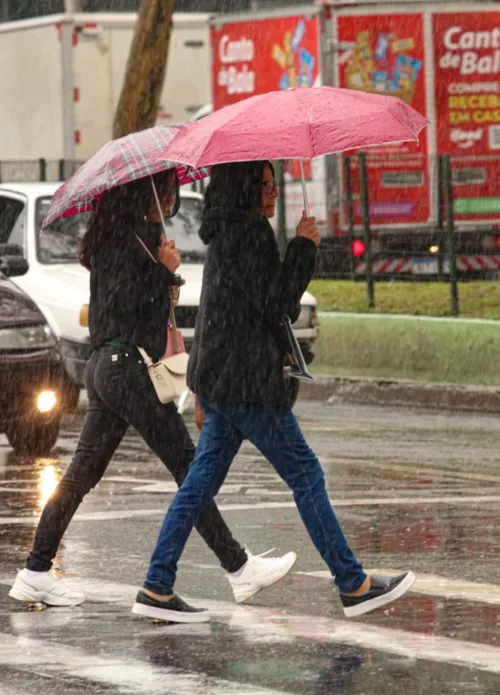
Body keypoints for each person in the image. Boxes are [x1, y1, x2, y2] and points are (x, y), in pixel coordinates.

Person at [132, 161, 415, 623]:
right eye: (265, 186)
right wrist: (303, 247)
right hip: (247, 383)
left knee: (198, 485)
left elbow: (222, 310)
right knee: (305, 473)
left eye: (275, 184)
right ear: (245, 188)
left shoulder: (225, 232)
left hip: (224, 380)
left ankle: (157, 584)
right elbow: (278, 304)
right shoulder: (249, 234)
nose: (274, 194)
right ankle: (353, 584)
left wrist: (204, 387)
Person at [9, 168, 296, 618]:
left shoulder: (122, 236)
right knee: (188, 465)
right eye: (164, 190)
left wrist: (165, 284)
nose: (170, 199)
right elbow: (124, 302)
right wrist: (162, 273)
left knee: (83, 475)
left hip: (109, 368)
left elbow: (129, 303)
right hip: (126, 368)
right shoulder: (127, 238)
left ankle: (35, 570)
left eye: (172, 190)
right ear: (142, 193)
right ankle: (235, 569)